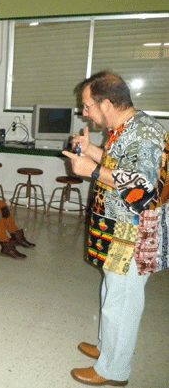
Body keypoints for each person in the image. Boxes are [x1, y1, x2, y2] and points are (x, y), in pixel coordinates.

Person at [62, 71, 169, 386]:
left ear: (106, 104)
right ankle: (107, 348)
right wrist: (92, 151)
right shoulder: (128, 127)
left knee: (122, 301)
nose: (85, 112)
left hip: (134, 230)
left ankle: (114, 370)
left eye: (87, 106)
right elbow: (123, 165)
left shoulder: (144, 132)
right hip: (120, 226)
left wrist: (93, 171)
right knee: (112, 291)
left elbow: (142, 184)